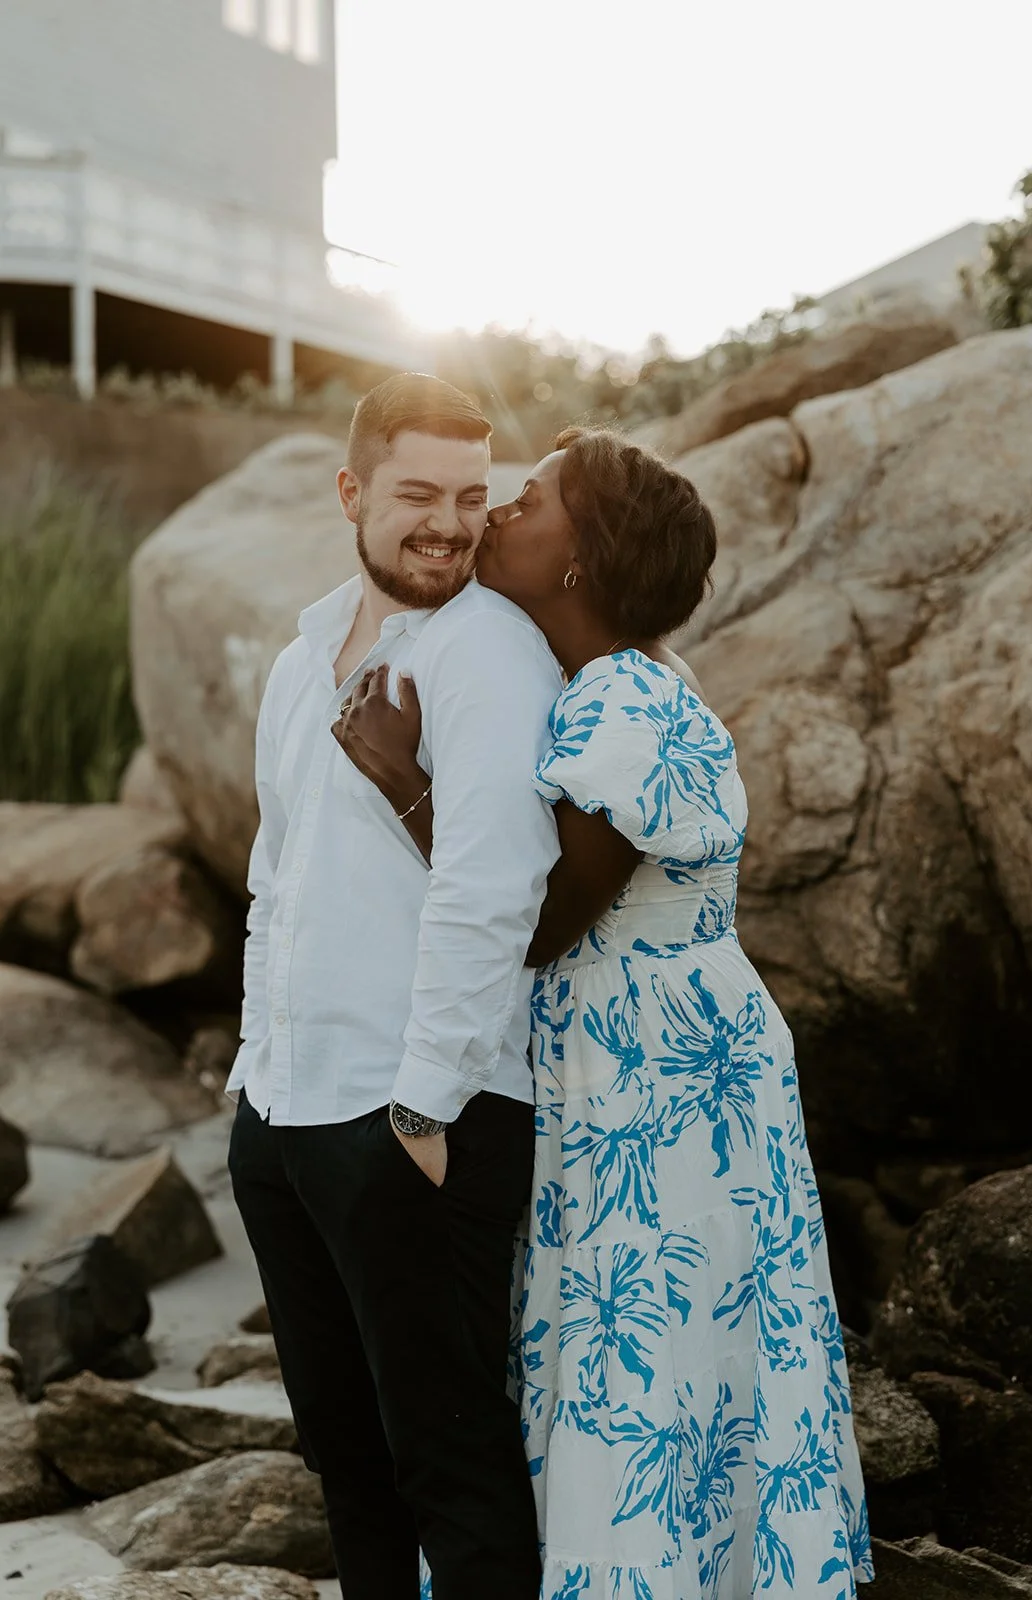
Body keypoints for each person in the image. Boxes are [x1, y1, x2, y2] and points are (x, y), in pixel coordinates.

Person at [335, 427, 874, 1600]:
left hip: (658, 1076)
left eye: (526, 504)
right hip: (663, 1059)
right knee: (674, 1351)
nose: (496, 516)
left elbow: (538, 922)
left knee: (639, 1352)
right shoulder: (621, 683)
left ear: (580, 562)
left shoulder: (619, 700)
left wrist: (402, 781)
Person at [226, 373, 561, 1600]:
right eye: (417, 492)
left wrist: (422, 1104)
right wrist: (249, 1087)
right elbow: (275, 882)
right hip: (284, 1113)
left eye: (472, 497)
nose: (448, 523)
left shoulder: (487, 652)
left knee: (453, 1466)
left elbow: (493, 888)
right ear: (351, 491)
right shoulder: (300, 658)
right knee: (345, 1459)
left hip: (412, 1122)